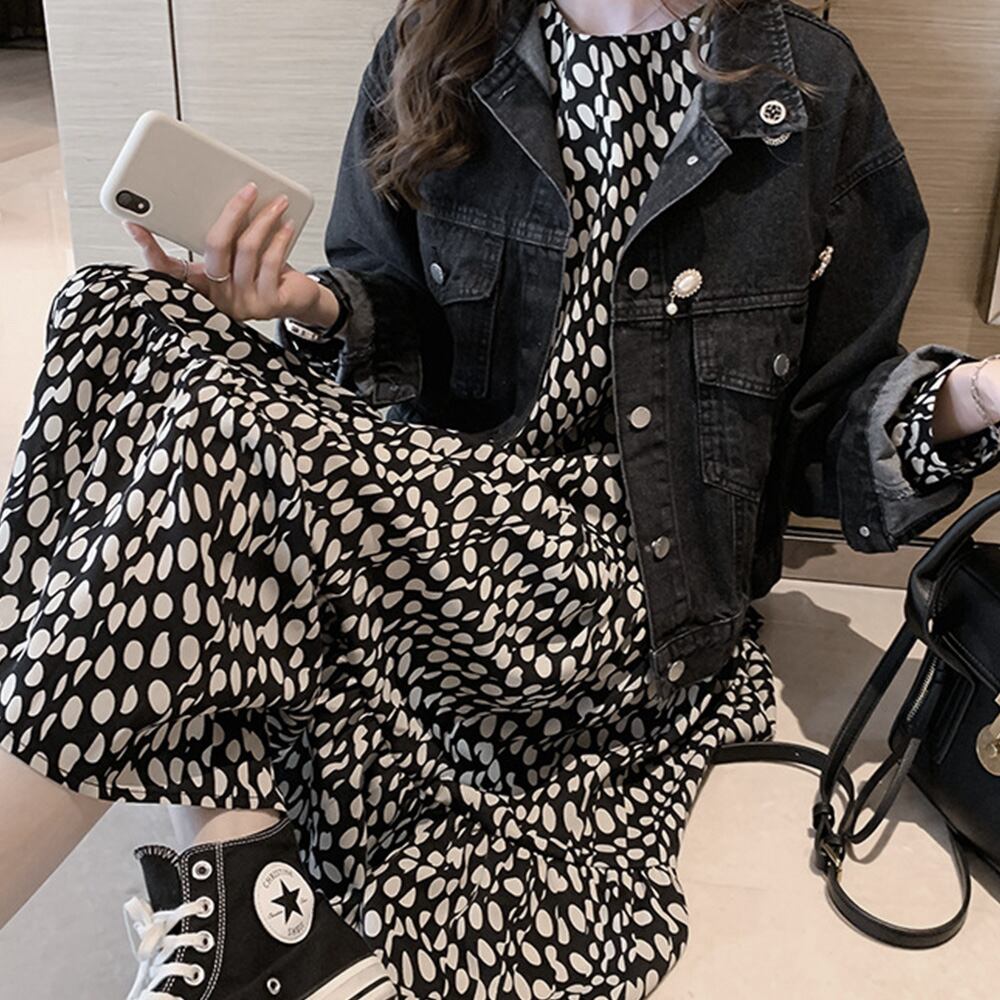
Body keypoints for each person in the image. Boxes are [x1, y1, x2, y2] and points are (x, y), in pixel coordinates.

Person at [2, 0, 999, 997]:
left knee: (225, 445)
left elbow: (830, 418)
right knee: (113, 313)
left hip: (627, 569)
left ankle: (232, 874)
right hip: (440, 510)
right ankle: (244, 895)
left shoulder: (806, 85)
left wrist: (980, 397)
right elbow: (387, 299)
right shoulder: (439, 37)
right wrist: (307, 304)